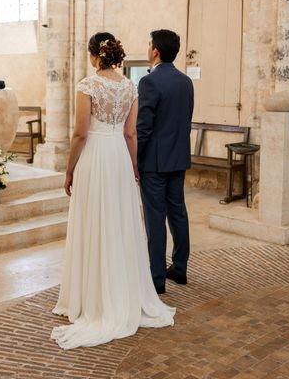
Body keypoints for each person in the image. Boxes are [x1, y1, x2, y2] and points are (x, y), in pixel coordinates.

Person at [51, 32, 175, 350]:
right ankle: (122, 292)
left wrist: (68, 169)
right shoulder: (129, 86)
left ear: (94, 56)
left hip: (94, 156)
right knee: (119, 223)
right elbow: (130, 133)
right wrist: (133, 165)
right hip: (118, 157)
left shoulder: (88, 85)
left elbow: (80, 133)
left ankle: (89, 298)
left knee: (93, 221)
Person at [137, 29, 194, 295]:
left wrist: (136, 159)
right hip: (178, 158)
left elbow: (144, 127)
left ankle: (157, 277)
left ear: (155, 51)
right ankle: (180, 268)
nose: (148, 48)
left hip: (154, 163)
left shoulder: (149, 82)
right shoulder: (186, 82)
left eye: (149, 45)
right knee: (178, 213)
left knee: (155, 218)